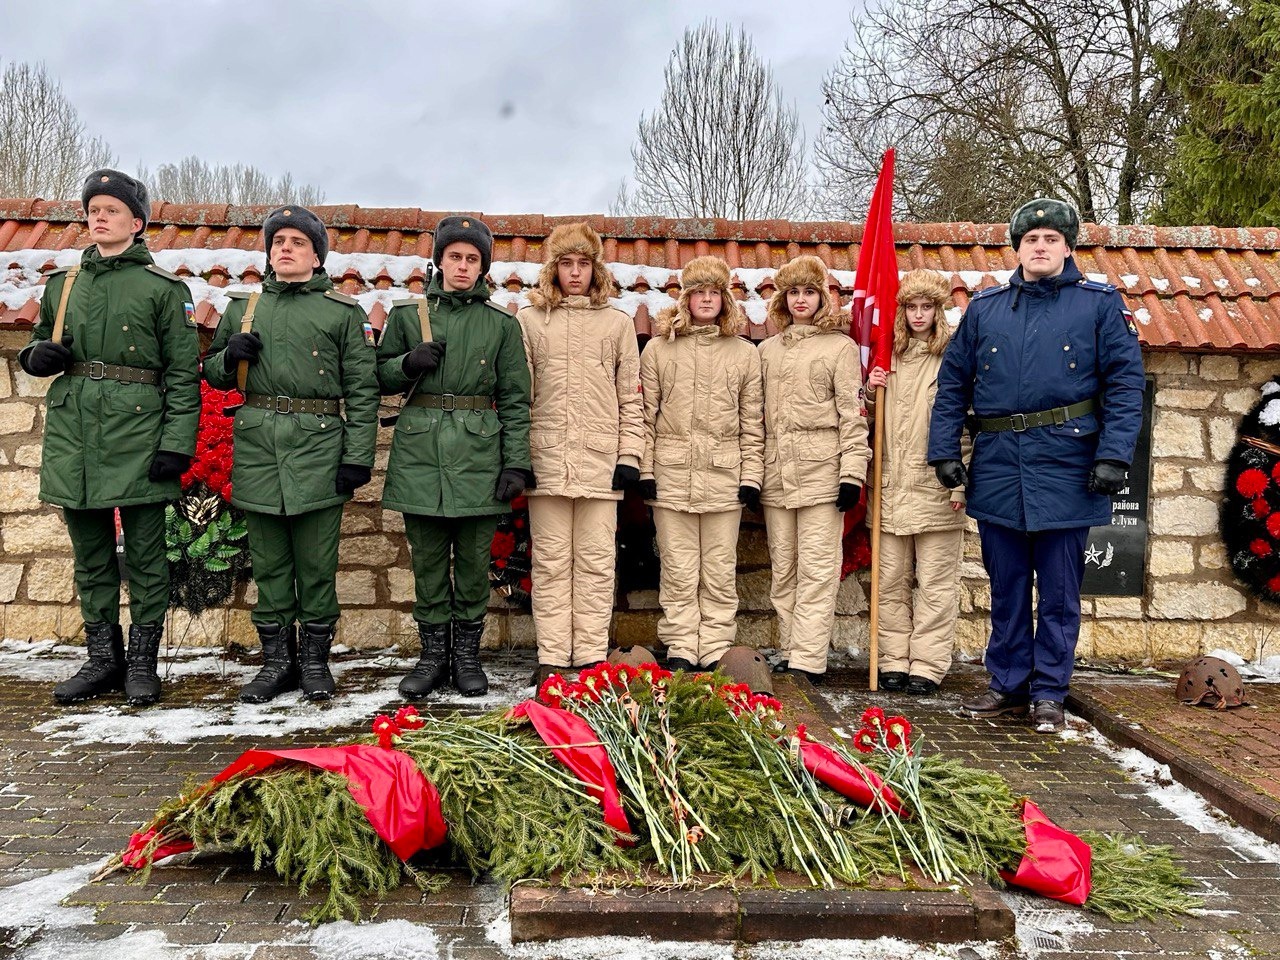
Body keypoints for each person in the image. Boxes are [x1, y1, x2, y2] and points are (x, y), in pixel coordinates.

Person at [928, 198, 1145, 733]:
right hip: (1000, 463)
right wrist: (943, 452)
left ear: (1068, 246)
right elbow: (952, 385)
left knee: (1059, 590)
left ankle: (1049, 692)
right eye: (1031, 240)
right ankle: (1006, 684)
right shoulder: (986, 309)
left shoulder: (1097, 304)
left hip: (1068, 462)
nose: (1040, 247)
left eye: (1051, 239)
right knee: (1005, 587)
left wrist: (1114, 455)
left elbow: (1125, 384)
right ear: (1018, 248)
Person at [20, 170, 200, 707]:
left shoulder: (164, 290)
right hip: (75, 435)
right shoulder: (62, 285)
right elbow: (36, 343)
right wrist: (36, 357)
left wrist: (177, 443)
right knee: (91, 557)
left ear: (138, 223)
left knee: (146, 556)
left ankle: (142, 665)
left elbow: (183, 376)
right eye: (94, 209)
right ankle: (103, 660)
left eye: (113, 210)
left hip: (139, 435)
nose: (100, 217)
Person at [205, 205, 379, 703]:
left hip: (319, 447)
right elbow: (213, 372)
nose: (285, 248)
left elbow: (363, 392)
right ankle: (276, 662)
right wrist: (229, 355)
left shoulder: (343, 313)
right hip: (259, 441)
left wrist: (357, 457)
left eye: (298, 242)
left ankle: (315, 662)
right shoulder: (245, 307)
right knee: (270, 563)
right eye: (278, 241)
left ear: (317, 254)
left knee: (316, 562)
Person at [378, 216, 532, 699]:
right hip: (420, 450)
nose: (462, 266)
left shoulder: (501, 324)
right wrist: (406, 364)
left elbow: (513, 396)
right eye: (454, 257)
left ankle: (466, 657)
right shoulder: (408, 315)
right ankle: (431, 658)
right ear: (439, 261)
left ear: (483, 266)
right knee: (426, 562)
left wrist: (516, 463)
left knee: (470, 564)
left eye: (472, 259)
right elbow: (375, 377)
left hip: (478, 456)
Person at [519, 223, 643, 685]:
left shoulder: (617, 324)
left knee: (595, 562)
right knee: (550, 562)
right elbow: (519, 397)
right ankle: (552, 655)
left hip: (600, 463)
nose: (575, 273)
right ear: (554, 269)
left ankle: (591, 655)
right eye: (566, 264)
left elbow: (632, 398)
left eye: (584, 264)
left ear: (597, 270)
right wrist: (519, 455)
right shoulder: (530, 322)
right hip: (546, 461)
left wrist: (629, 455)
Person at [638, 256, 764, 671]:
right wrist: (647, 471)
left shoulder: (745, 354)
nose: (706, 300)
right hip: (672, 477)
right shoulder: (659, 350)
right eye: (699, 293)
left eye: (714, 293)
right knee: (677, 569)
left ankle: (713, 645)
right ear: (685, 299)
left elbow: (753, 422)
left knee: (718, 569)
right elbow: (644, 416)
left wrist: (751, 477)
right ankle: (679, 645)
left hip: (724, 479)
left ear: (725, 300)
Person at [759, 255, 868, 683]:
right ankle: (789, 647)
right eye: (794, 292)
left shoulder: (839, 348)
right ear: (783, 299)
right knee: (783, 566)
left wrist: (851, 473)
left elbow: (852, 415)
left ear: (822, 298)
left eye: (809, 292)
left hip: (823, 473)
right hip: (775, 474)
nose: (801, 300)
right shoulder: (765, 350)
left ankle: (809, 656)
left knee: (818, 570)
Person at [864, 270, 966, 696]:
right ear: (901, 312)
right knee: (888, 582)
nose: (919, 315)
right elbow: (867, 424)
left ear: (938, 311)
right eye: (911, 307)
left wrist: (961, 483)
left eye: (927, 307)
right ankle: (891, 659)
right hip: (890, 490)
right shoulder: (889, 360)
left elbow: (966, 427)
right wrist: (871, 393)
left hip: (937, 491)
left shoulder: (954, 362)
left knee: (936, 585)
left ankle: (927, 662)